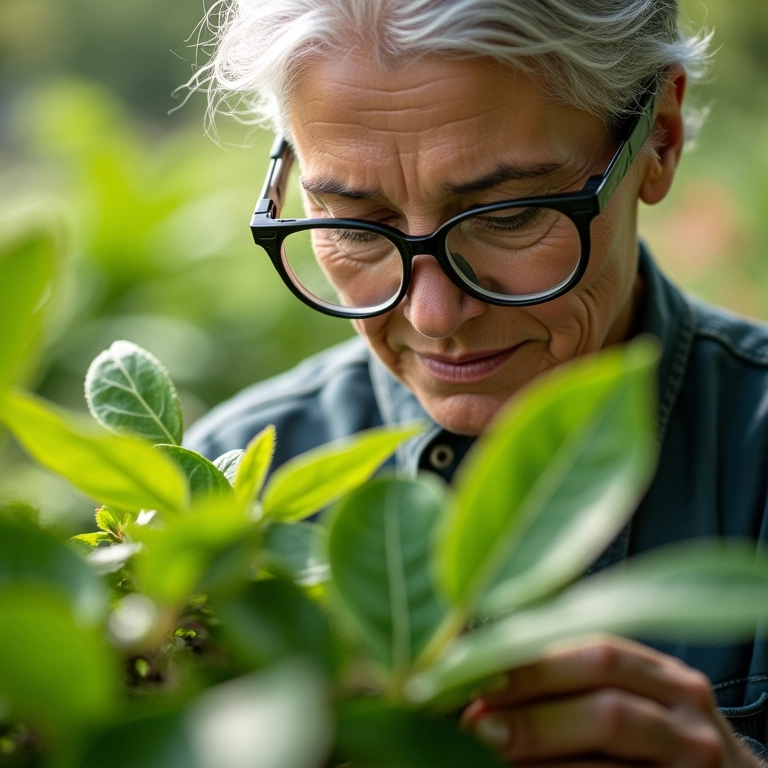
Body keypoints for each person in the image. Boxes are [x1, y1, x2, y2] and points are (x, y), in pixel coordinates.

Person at [183, 0, 768, 763]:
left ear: (657, 136)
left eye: (507, 216)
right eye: (357, 226)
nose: (431, 316)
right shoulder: (221, 492)